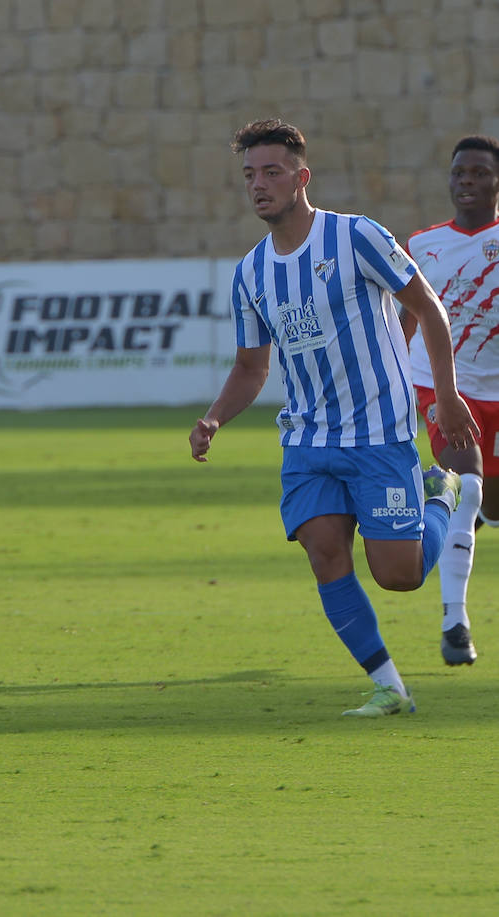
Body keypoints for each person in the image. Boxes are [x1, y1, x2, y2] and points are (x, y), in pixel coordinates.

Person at [189, 118, 480, 717]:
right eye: (250, 174)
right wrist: (215, 418)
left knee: (398, 577)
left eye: (272, 171)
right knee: (324, 551)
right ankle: (390, 687)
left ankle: (439, 493)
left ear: (302, 176)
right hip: (307, 438)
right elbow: (251, 366)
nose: (259, 184)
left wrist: (447, 398)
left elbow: (428, 310)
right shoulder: (250, 272)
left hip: (379, 433)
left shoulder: (357, 237)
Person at [401, 134, 499, 666]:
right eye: (460, 172)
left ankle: (466, 518)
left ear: (496, 182)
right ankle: (454, 623)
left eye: (479, 173)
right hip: (440, 385)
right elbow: (408, 320)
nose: (467, 182)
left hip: (497, 388)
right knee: (467, 482)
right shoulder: (422, 246)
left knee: (487, 502)